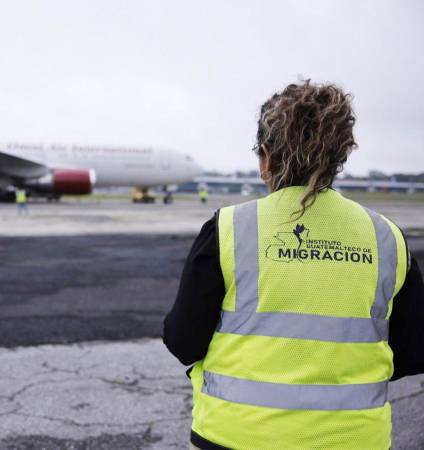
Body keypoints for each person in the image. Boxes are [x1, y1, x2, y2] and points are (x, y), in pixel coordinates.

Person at [163, 81, 424, 450]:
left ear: (266, 156)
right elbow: (415, 351)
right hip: (353, 440)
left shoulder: (228, 229)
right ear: (339, 156)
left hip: (235, 435)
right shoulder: (387, 239)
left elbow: (182, 340)